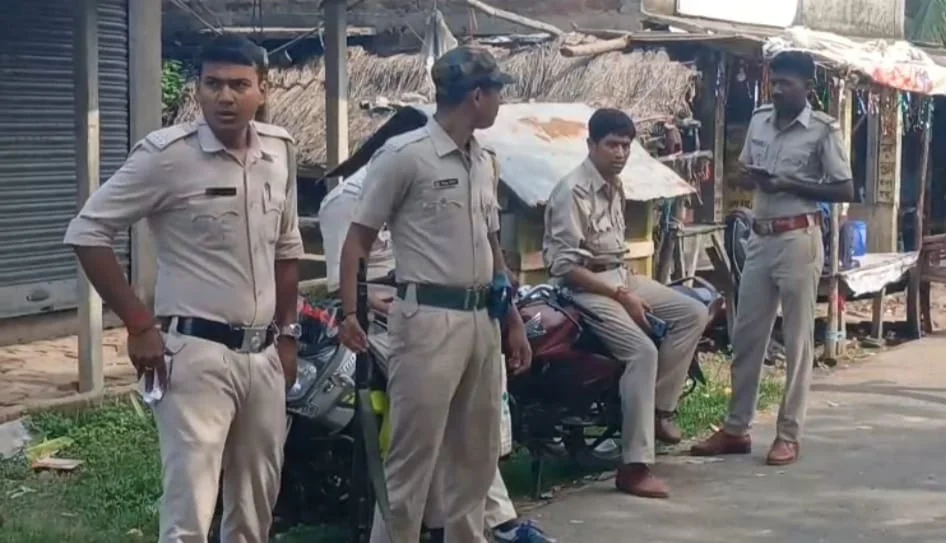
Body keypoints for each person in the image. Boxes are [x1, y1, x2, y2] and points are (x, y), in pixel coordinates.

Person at [63, 34, 304, 542]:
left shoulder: (279, 150)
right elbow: (87, 232)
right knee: (190, 508)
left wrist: (288, 335)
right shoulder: (167, 156)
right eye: (212, 84)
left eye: (239, 85)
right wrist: (138, 323)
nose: (225, 96)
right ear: (198, 89)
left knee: (256, 504)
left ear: (263, 89)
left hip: (263, 356)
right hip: (195, 355)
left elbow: (287, 248)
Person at [337, 45, 533, 543]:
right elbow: (357, 241)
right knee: (412, 459)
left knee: (477, 456)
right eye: (497, 92)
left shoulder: (483, 160)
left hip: (482, 318)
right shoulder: (405, 156)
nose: (500, 102)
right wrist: (350, 312)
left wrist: (511, 319)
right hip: (428, 319)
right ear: (476, 96)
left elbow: (492, 246)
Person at [319, 162, 554, 543]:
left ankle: (472, 521)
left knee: (471, 424)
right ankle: (496, 521)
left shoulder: (460, 175)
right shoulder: (346, 200)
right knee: (425, 425)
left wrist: (509, 318)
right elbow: (344, 281)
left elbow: (487, 259)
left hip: (455, 309)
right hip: (387, 313)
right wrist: (381, 306)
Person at [690, 51, 854, 465]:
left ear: (807, 88)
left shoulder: (822, 130)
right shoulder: (761, 120)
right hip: (760, 238)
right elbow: (746, 167)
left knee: (797, 341)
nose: (778, 90)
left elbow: (845, 189)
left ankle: (788, 435)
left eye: (787, 84)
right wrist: (755, 178)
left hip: (799, 237)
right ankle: (735, 428)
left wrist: (788, 183)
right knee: (746, 337)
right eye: (775, 82)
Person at [542, 108, 709, 499]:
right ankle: (634, 467)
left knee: (693, 312)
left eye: (626, 146)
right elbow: (564, 267)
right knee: (642, 352)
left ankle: (658, 410)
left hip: (620, 277)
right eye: (612, 145)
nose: (620, 153)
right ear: (591, 145)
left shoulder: (614, 184)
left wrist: (626, 288)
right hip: (585, 288)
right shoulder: (572, 191)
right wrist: (621, 297)